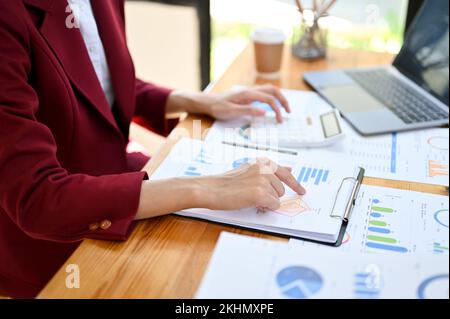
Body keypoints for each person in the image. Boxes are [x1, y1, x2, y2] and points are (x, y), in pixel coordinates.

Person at [0, 0, 305, 298]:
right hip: (59, 246)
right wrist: (206, 188)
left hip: (122, 185)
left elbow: (99, 81)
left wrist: (195, 101)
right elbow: (38, 198)